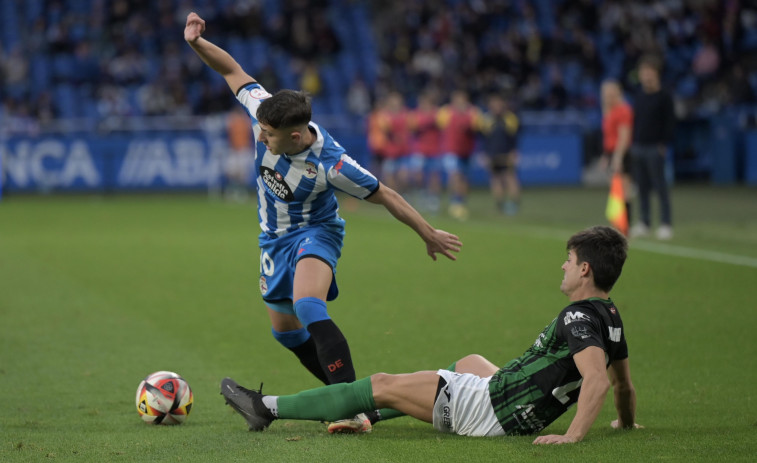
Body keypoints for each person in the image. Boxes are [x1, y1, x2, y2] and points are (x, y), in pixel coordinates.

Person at [184, 12, 462, 428]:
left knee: (308, 304)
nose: (260, 137)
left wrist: (428, 232)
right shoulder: (267, 110)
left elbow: (385, 194)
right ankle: (355, 403)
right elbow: (233, 70)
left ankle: (351, 408)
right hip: (273, 239)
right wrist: (196, 43)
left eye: (268, 135)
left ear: (295, 137)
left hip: (317, 233)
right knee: (286, 331)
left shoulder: (333, 166)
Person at [221, 225, 642, 444]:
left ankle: (266, 408)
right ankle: (366, 416)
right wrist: (625, 424)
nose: (564, 266)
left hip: (491, 408)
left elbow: (598, 380)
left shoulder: (577, 319)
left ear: (585, 269)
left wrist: (572, 437)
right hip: (505, 394)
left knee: (380, 384)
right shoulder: (610, 316)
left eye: (569, 260)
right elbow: (622, 384)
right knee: (469, 362)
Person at [629, 55, 676, 240]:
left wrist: (664, 144)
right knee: (642, 187)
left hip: (655, 148)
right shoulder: (639, 95)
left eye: (649, 72)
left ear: (656, 74)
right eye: (643, 72)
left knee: (660, 186)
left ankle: (666, 224)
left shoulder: (664, 96)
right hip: (639, 146)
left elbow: (670, 123)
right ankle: (644, 222)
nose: (646, 76)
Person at [436, 90, 480, 221]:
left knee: (465, 178)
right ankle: (455, 202)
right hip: (451, 150)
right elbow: (440, 125)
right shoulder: (446, 112)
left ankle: (462, 201)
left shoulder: (473, 112)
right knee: (454, 175)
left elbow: (477, 127)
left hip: (467, 151)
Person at [477, 93, 521, 215]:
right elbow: (483, 139)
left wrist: (514, 153)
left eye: (498, 103)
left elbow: (514, 138)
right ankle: (500, 205)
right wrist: (484, 154)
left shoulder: (510, 119)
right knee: (495, 179)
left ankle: (514, 204)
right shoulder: (486, 120)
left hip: (506, 154)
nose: (496, 106)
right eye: (493, 103)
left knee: (509, 178)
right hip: (492, 155)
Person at [600, 80, 634, 228]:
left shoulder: (623, 110)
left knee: (624, 190)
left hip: (621, 153)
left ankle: (626, 227)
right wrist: (605, 156)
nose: (606, 96)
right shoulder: (609, 110)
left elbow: (624, 136)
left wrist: (618, 157)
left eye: (609, 93)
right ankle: (618, 225)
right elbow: (609, 135)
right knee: (615, 191)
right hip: (611, 153)